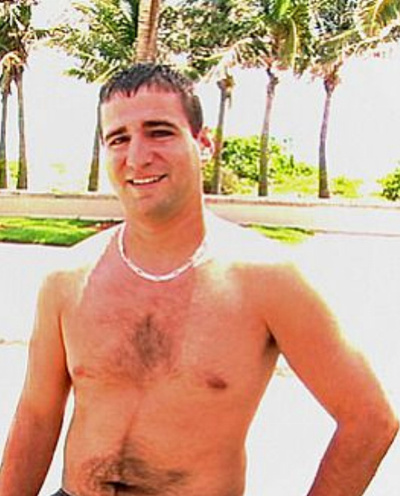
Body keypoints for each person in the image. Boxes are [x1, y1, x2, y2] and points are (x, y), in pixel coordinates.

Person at [0, 63, 398, 496]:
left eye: (159, 132)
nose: (137, 157)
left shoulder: (265, 279)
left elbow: (369, 418)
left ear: (203, 144)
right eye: (119, 139)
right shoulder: (66, 279)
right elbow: (37, 416)